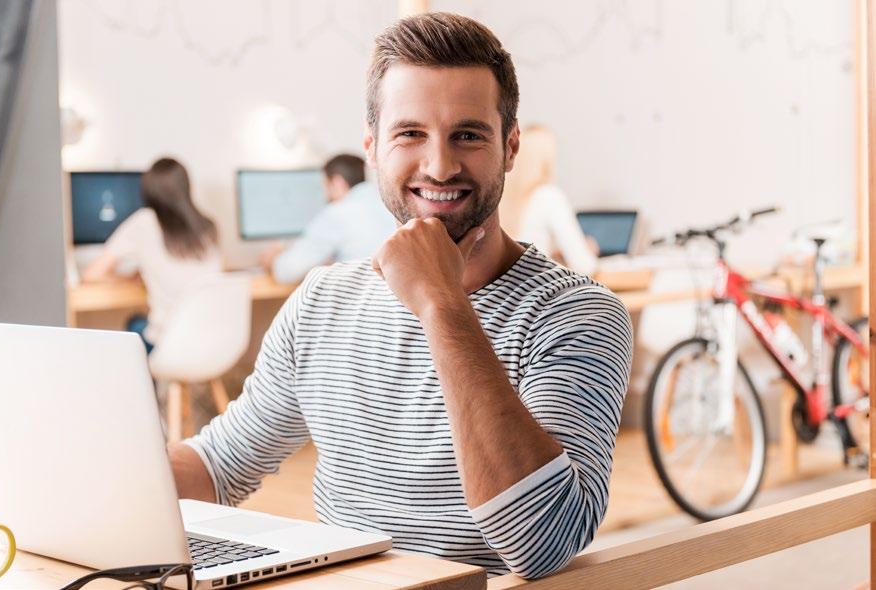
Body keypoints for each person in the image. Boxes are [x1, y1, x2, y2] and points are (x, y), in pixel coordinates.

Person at [169, 13, 631, 579]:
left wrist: (441, 304)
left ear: (510, 146)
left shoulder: (577, 313)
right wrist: (97, 480)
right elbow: (218, 466)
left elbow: (541, 540)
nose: (439, 165)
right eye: (410, 133)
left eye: (468, 134)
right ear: (372, 148)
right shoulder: (322, 301)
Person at [83, 158, 222, 352]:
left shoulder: (144, 221)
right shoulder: (208, 226)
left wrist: (127, 280)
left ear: (149, 191)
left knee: (135, 325)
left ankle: (150, 383)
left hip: (172, 344)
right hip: (214, 342)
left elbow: (92, 274)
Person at [259, 154, 396, 283]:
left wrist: (272, 260)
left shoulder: (337, 213)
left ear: (337, 182)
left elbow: (288, 272)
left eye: (325, 186)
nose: (325, 195)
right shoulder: (390, 204)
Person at [500, 124, 599, 275]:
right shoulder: (548, 196)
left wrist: (555, 255)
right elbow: (585, 266)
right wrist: (589, 250)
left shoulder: (501, 198)